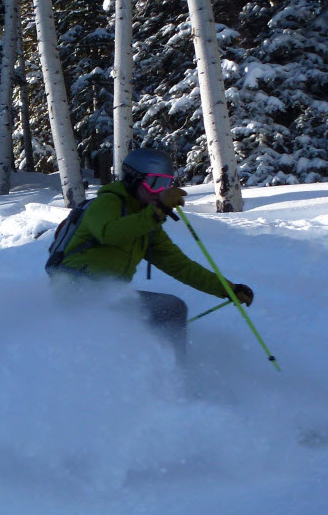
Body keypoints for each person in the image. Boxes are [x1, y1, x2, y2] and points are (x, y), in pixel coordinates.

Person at [50, 148, 253, 359]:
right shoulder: (107, 203)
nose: (159, 191)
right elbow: (109, 233)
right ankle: (167, 375)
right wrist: (156, 212)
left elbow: (180, 265)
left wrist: (227, 288)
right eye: (154, 183)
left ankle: (170, 376)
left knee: (171, 309)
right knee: (169, 309)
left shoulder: (147, 220)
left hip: (107, 294)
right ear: (133, 179)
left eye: (165, 185)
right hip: (77, 289)